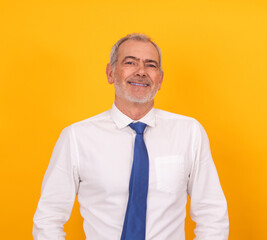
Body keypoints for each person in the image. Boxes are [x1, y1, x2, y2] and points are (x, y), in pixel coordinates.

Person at [33, 33, 229, 240]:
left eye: (151, 65)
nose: (141, 72)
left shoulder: (189, 132)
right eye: (130, 62)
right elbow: (48, 217)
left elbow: (212, 213)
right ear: (111, 73)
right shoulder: (76, 137)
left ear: (160, 79)